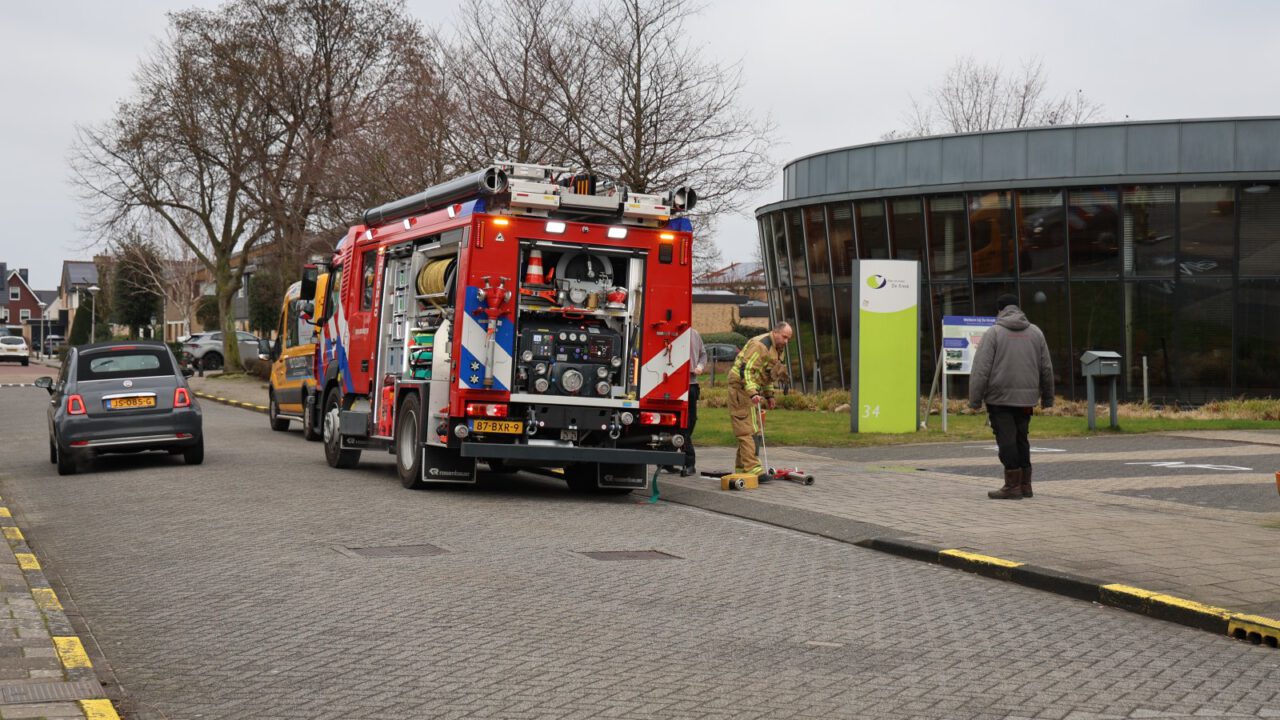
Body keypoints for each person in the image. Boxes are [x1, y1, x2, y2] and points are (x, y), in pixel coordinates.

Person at [968, 294, 1054, 500]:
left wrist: (975, 400)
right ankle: (1025, 485)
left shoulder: (994, 333)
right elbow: (1046, 367)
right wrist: (1048, 398)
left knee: (1006, 440)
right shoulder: (1036, 333)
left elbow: (981, 369)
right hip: (1026, 400)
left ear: (1000, 310)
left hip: (999, 398)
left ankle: (1012, 486)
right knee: (1021, 439)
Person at [728, 322, 792, 478]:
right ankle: (752, 468)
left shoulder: (778, 349)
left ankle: (742, 467)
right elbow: (746, 370)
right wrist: (752, 393)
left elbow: (768, 374)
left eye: (788, 339)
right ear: (775, 332)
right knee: (746, 430)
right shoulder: (759, 345)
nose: (786, 341)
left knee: (754, 428)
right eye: (784, 337)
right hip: (740, 388)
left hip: (751, 389)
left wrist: (769, 395)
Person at [665, 328, 707, 476]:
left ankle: (668, 459)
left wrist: (700, 367)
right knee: (682, 424)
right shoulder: (670, 333)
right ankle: (689, 462)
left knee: (689, 423)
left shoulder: (695, 334)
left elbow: (703, 354)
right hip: (673, 385)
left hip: (691, 385)